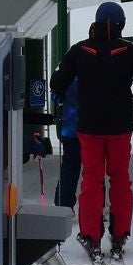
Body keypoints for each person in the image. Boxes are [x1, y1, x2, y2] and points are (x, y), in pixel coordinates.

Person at [49, 2, 133, 264]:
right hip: (120, 127)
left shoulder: (80, 50)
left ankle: (90, 234)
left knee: (91, 179)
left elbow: (57, 82)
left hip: (88, 127)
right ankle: (120, 232)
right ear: (121, 24)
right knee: (120, 178)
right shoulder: (130, 50)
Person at [53, 76, 82, 209]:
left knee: (69, 165)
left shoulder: (66, 67)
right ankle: (97, 205)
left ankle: (63, 203)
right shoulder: (95, 64)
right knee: (94, 169)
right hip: (91, 127)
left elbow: (55, 95)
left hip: (70, 126)